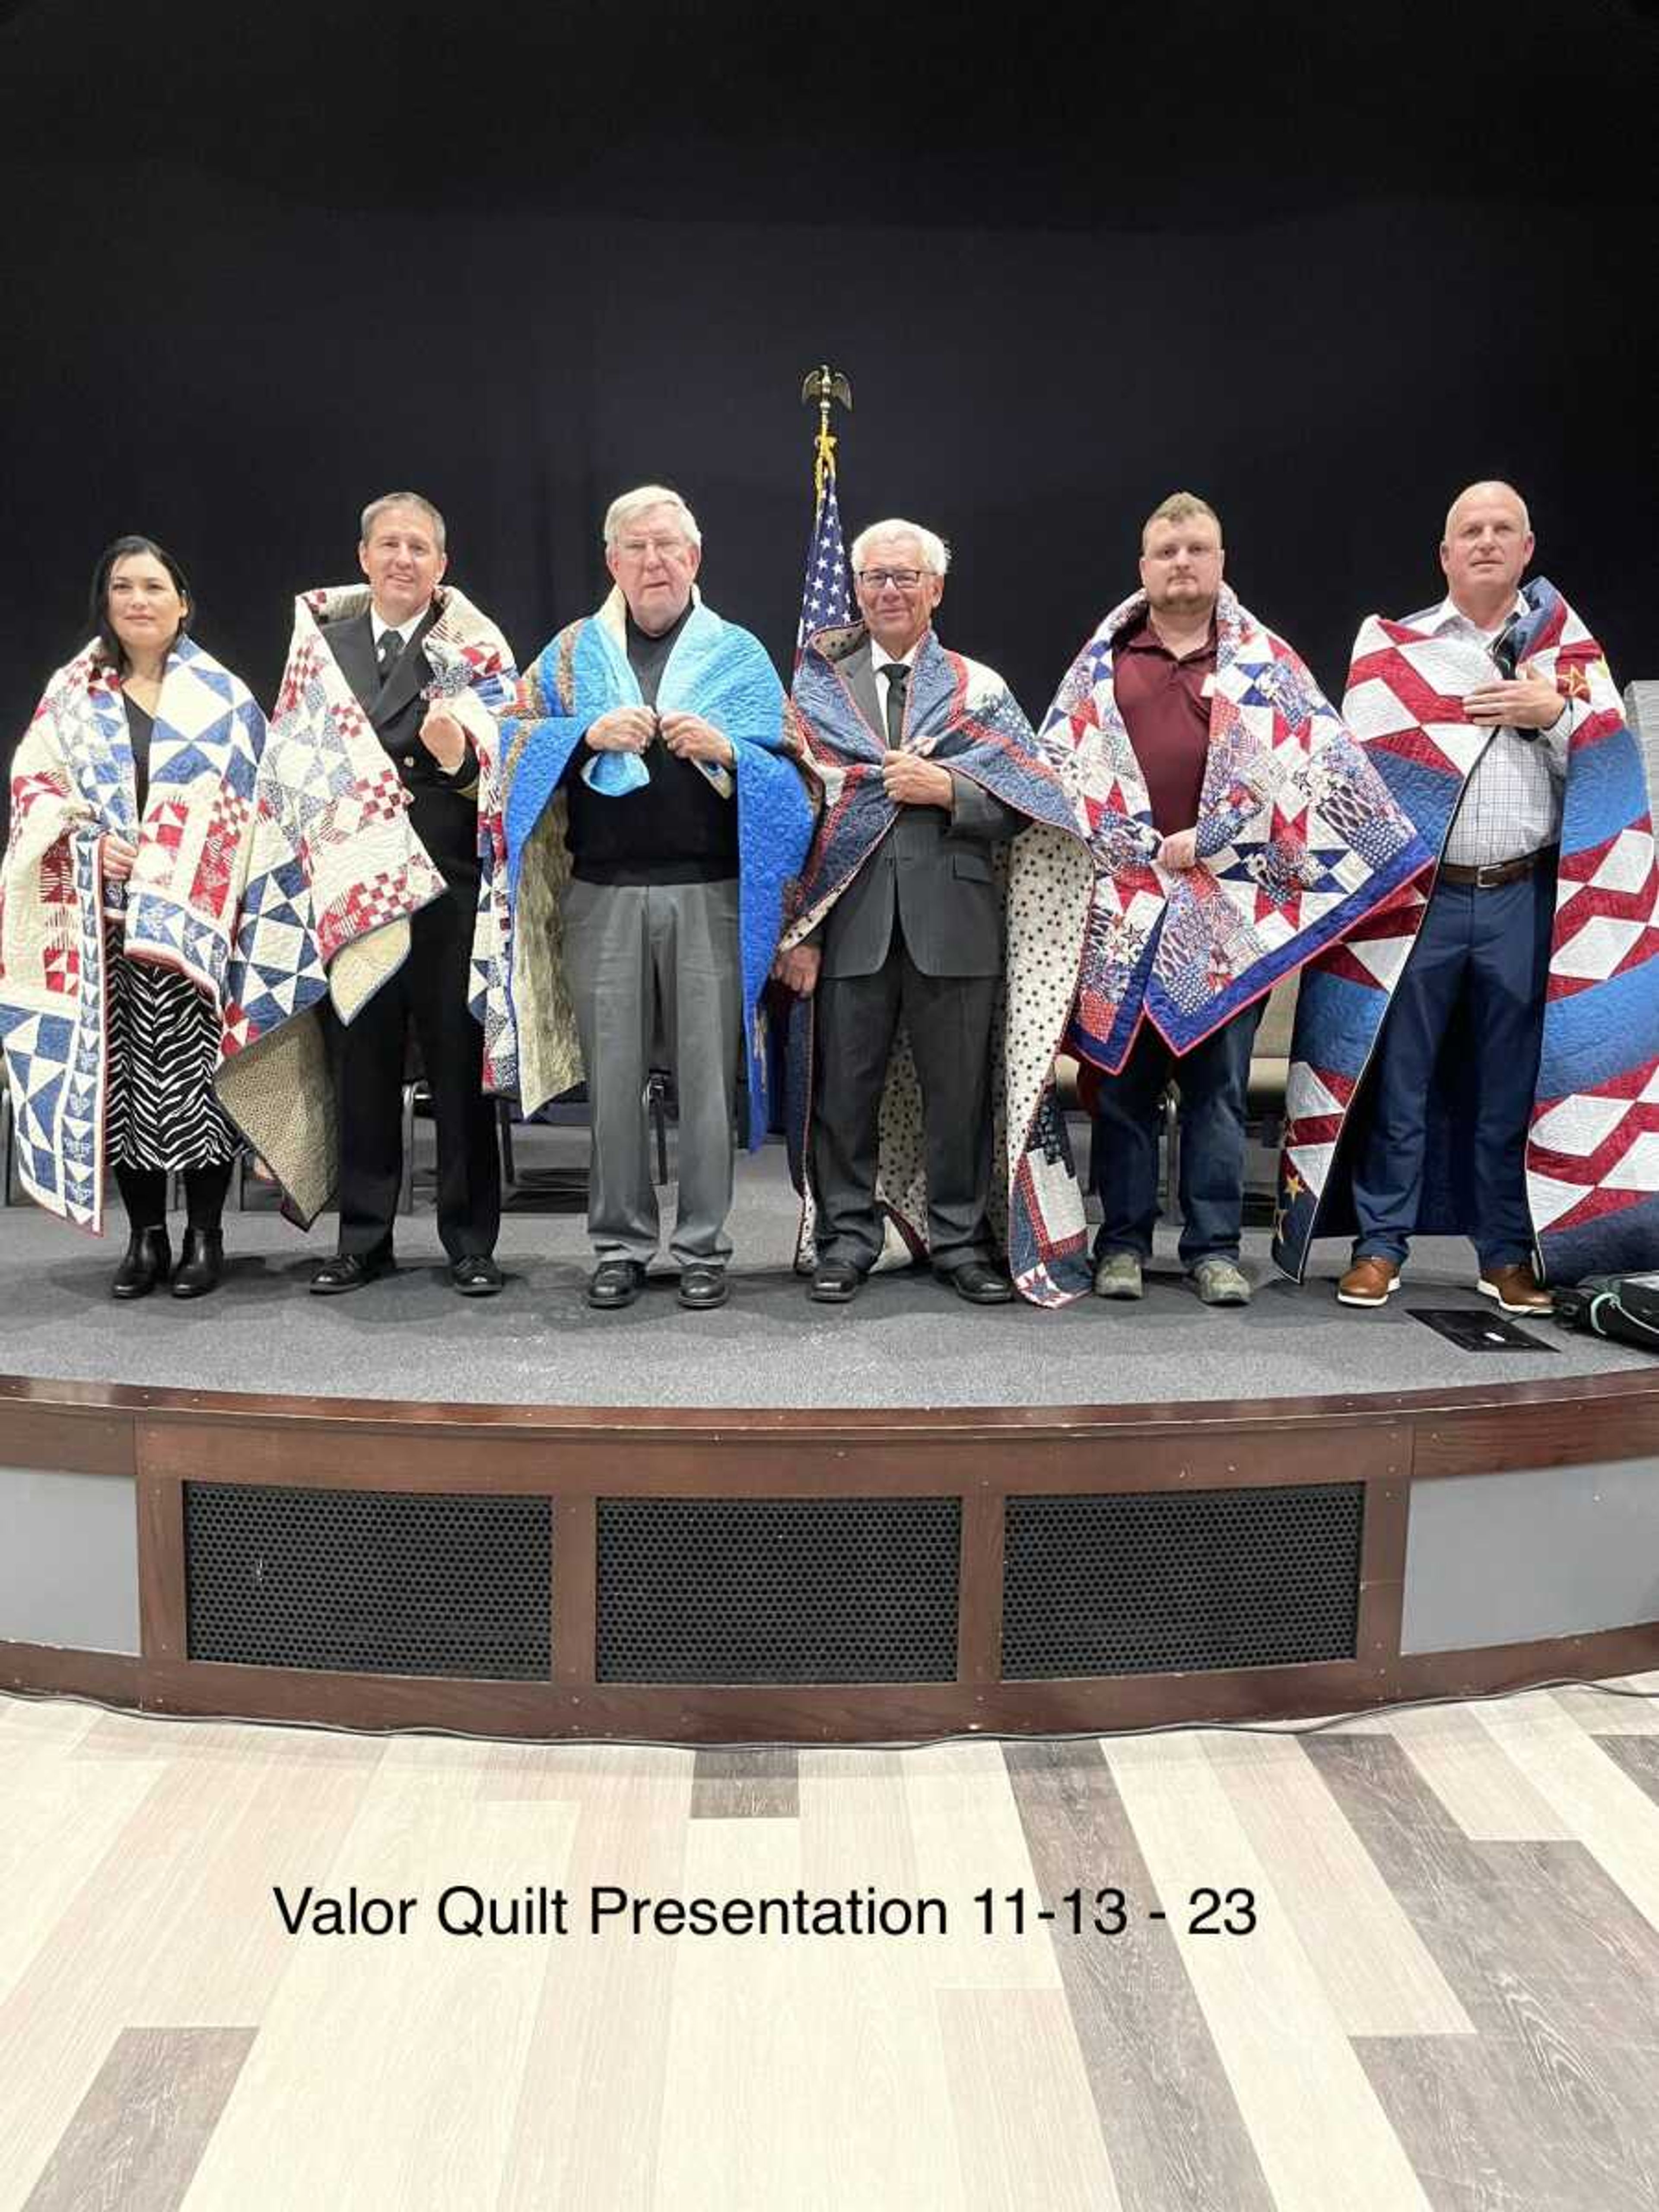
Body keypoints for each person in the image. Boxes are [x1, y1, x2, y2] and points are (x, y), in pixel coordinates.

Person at [1274, 480, 1659, 1307]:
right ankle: (1380, 1246)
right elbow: (1352, 793)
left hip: (1523, 899)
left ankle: (1506, 1252)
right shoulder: (1393, 651)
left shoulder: (1570, 661)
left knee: (1513, 1086)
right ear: (1445, 555)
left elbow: (1615, 780)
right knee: (1398, 1078)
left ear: (1526, 549)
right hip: (1421, 905)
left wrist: (1554, 714)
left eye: (1502, 530)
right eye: (1469, 531)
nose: (1486, 541)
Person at [1038, 492, 1427, 1307]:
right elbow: (1061, 782)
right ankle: (1125, 1245)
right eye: (1167, 551)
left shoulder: (1267, 663)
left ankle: (1215, 1249)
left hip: (1231, 916)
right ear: (1144, 568)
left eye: (1197, 549)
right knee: (1126, 1090)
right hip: (1130, 907)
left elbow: (1314, 776)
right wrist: (1128, 843)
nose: (1183, 562)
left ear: (1222, 562)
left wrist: (1218, 835)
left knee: (1218, 1093)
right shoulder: (1101, 665)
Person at [487, 485, 812, 1311]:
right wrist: (583, 736)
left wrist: (731, 752)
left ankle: (705, 1245)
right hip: (602, 895)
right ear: (612, 562)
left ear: (695, 559)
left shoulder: (738, 654)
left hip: (708, 895)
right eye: (636, 547)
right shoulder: (569, 655)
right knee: (615, 1085)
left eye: (668, 546)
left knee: (708, 1086)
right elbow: (510, 740)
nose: (654, 561)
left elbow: (798, 778)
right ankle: (620, 1244)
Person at [778, 518, 1096, 1307]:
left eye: (904, 578)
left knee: (960, 1098)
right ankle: (846, 1238)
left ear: (936, 589)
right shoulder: (815, 689)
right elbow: (794, 811)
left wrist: (948, 790)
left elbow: (1034, 800)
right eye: (874, 578)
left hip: (956, 925)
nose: (888, 591)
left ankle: (961, 1241)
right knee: (843, 1095)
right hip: (848, 921)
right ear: (854, 590)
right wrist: (802, 932)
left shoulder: (978, 688)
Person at [0, 536, 265, 1297]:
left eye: (154, 587)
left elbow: (257, 804)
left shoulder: (224, 698)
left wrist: (190, 858)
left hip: (200, 926)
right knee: (121, 1086)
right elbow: (35, 787)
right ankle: (145, 1238)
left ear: (183, 603)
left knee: (200, 1081)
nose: (138, 600)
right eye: (123, 588)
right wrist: (86, 842)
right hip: (103, 924)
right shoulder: (72, 693)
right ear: (107, 602)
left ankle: (205, 1236)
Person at [276, 493, 515, 1297]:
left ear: (442, 566)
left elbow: (506, 766)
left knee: (458, 1065)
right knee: (364, 1065)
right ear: (364, 557)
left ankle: (470, 1242)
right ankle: (364, 1238)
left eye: (419, 547)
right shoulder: (321, 648)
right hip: (355, 886)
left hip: (446, 881)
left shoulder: (475, 648)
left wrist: (453, 763)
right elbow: (294, 759)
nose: (403, 558)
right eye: (389, 545)